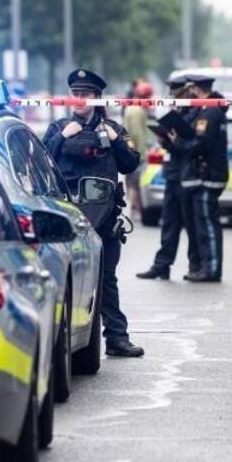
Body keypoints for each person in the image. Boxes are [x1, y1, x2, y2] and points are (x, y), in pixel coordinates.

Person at [43, 68, 145, 358]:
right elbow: (40, 160)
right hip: (68, 218)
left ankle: (116, 337)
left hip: (104, 219)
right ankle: (63, 338)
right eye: (75, 94)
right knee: (66, 278)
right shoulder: (58, 128)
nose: (80, 100)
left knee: (106, 277)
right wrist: (63, 137)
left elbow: (130, 165)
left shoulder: (113, 129)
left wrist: (113, 139)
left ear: (98, 98)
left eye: (86, 95)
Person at [159, 74, 228, 282]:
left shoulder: (210, 110)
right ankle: (205, 267)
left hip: (208, 175)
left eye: (191, 88)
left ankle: (212, 269)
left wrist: (178, 142)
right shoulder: (206, 109)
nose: (188, 92)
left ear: (196, 89)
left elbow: (202, 143)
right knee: (201, 226)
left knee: (207, 226)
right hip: (202, 175)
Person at [137, 74, 200, 280]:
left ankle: (196, 265)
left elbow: (192, 144)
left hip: (188, 173)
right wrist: (164, 138)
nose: (172, 94)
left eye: (176, 90)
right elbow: (175, 144)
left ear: (186, 90)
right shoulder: (177, 110)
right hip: (173, 172)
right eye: (171, 90)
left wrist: (173, 139)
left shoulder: (195, 110)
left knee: (191, 223)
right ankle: (162, 265)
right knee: (169, 222)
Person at [122, 79, 153, 219]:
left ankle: (135, 208)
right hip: (136, 152)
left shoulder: (132, 106)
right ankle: (135, 210)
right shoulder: (137, 109)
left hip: (129, 149)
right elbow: (137, 134)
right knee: (135, 183)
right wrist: (141, 153)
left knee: (131, 181)